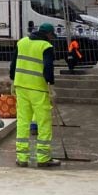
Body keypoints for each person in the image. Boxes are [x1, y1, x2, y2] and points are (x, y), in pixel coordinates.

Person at [10, 22, 60, 168]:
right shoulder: (46, 46)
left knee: (23, 121)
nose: (52, 39)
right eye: (52, 36)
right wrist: (51, 84)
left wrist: (13, 80)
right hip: (38, 88)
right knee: (43, 121)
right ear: (48, 35)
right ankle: (43, 158)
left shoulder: (22, 42)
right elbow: (48, 67)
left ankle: (22, 158)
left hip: (21, 86)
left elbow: (13, 65)